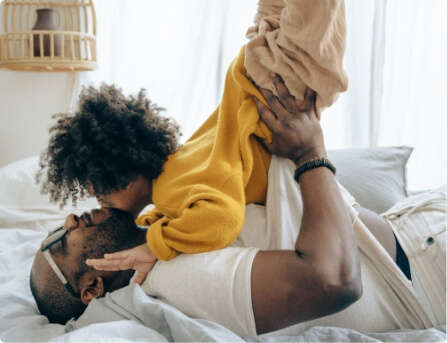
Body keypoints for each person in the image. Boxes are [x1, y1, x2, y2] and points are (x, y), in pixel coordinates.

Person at [30, 86, 445, 338]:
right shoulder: (177, 280)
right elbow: (333, 280)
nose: (70, 220)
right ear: (90, 289)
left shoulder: (169, 223)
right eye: (60, 241)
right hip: (427, 266)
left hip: (413, 221)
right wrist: (311, 154)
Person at [36, 0, 348, 282]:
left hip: (279, 96)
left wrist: (156, 246)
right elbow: (178, 204)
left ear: (124, 174)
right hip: (257, 73)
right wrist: (151, 223)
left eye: (103, 194)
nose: (104, 205)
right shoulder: (178, 165)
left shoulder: (171, 190)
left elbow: (222, 218)